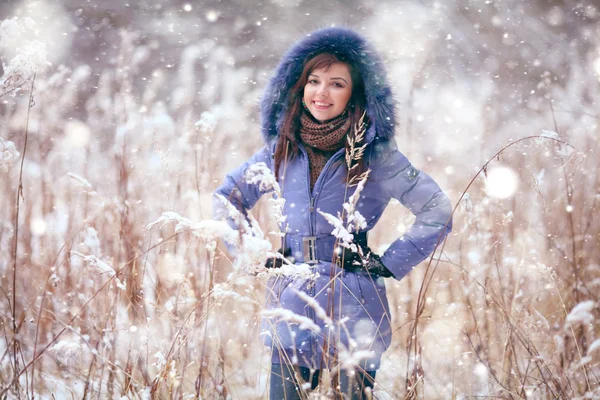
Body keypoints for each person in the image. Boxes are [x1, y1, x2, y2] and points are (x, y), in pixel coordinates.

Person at [213, 27, 453, 399]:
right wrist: (253, 254)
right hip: (290, 297)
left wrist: (389, 263)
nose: (321, 93)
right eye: (314, 81)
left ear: (355, 95)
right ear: (299, 87)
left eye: (336, 84)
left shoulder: (377, 156)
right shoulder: (279, 151)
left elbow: (437, 209)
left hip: (356, 302)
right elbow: (227, 198)